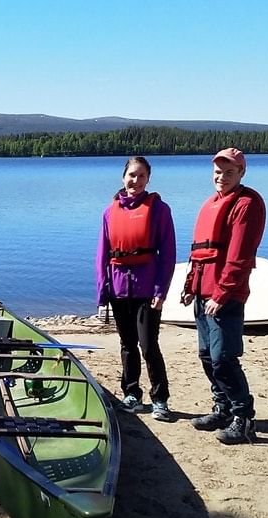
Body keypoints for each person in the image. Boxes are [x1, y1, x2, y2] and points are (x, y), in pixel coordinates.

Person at [180, 147, 267, 444]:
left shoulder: (247, 203)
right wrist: (190, 285)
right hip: (204, 294)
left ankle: (243, 419)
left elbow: (239, 255)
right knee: (206, 356)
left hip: (224, 297)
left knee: (224, 359)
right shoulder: (211, 204)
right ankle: (223, 408)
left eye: (229, 172)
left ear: (241, 172)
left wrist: (223, 293)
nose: (222, 177)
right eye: (218, 172)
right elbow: (201, 253)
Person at [96, 156, 177, 421]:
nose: (136, 180)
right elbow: (102, 254)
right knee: (127, 344)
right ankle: (132, 394)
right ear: (123, 177)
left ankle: (160, 400)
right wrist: (102, 292)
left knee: (148, 345)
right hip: (119, 288)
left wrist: (160, 290)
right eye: (132, 175)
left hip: (146, 288)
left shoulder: (159, 210)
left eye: (142, 176)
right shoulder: (110, 212)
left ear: (148, 179)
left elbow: (167, 253)